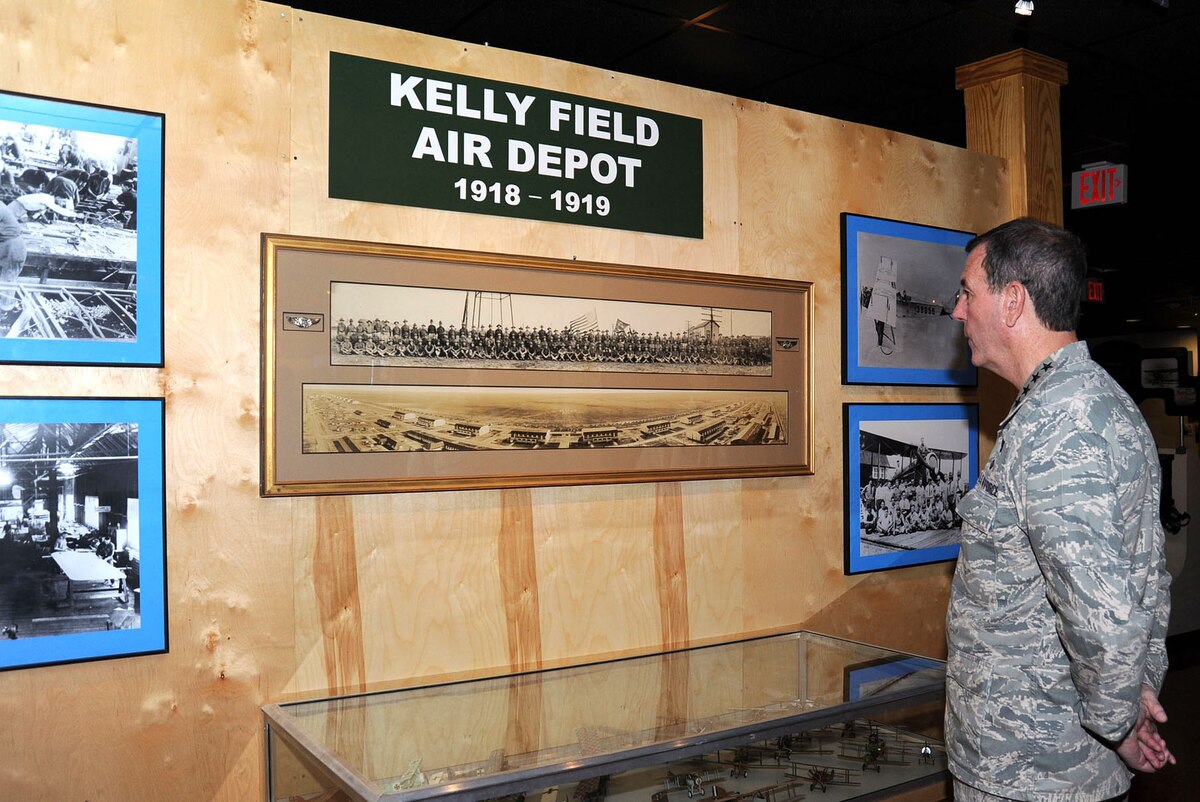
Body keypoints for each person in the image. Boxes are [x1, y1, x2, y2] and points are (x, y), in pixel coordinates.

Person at [945, 217, 1174, 800]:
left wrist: (1120, 723)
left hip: (1034, 772)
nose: (958, 311)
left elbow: (1103, 616)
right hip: (1053, 764)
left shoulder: (1058, 422)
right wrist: (1137, 692)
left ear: (1013, 300)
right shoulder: (1093, 402)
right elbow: (1144, 578)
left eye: (968, 292)